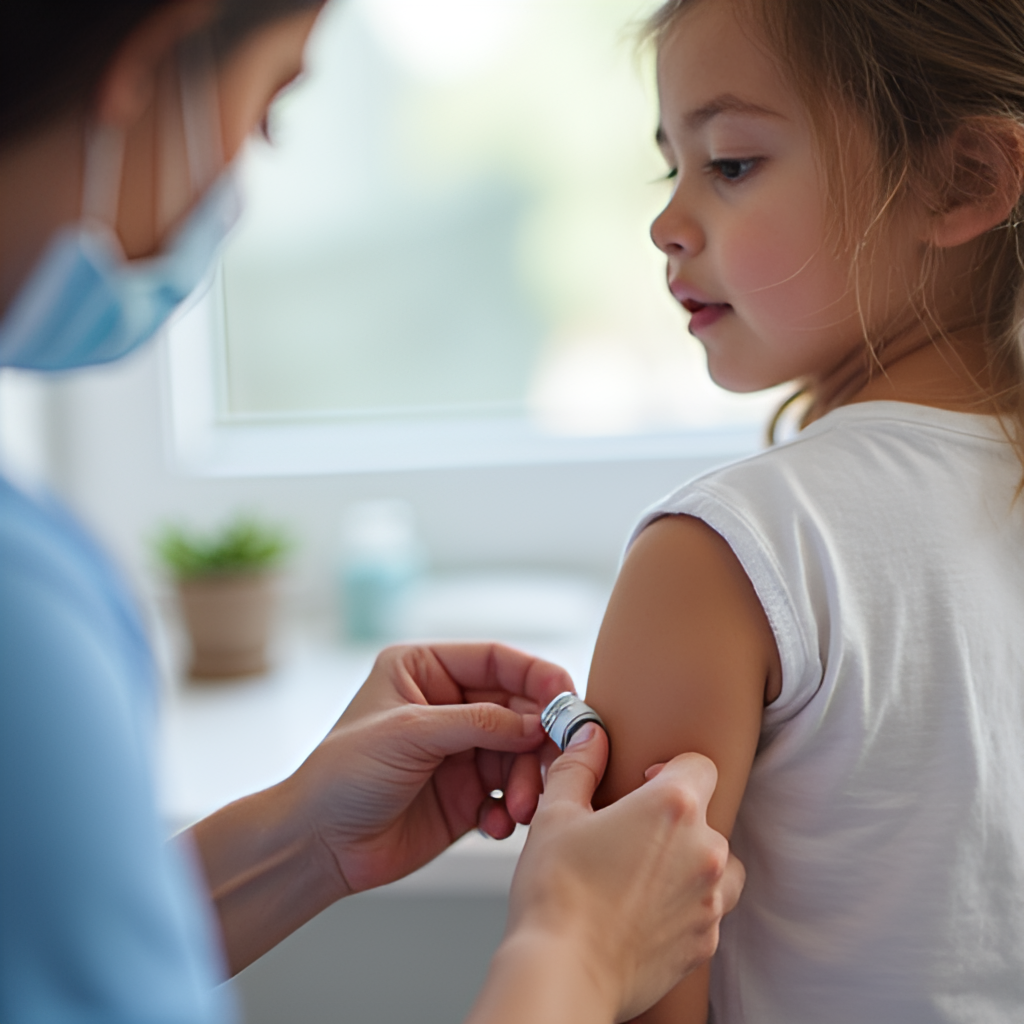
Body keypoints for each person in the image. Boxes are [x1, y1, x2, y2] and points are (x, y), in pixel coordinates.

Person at [0, 2, 745, 1022]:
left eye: (737, 163)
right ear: (147, 67)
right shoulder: (22, 616)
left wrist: (303, 840)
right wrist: (574, 948)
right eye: (267, 109)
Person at [583, 0, 1024, 1021]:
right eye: (671, 165)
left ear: (963, 181)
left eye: (731, 163)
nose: (665, 221)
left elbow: (626, 990)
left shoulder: (720, 556)